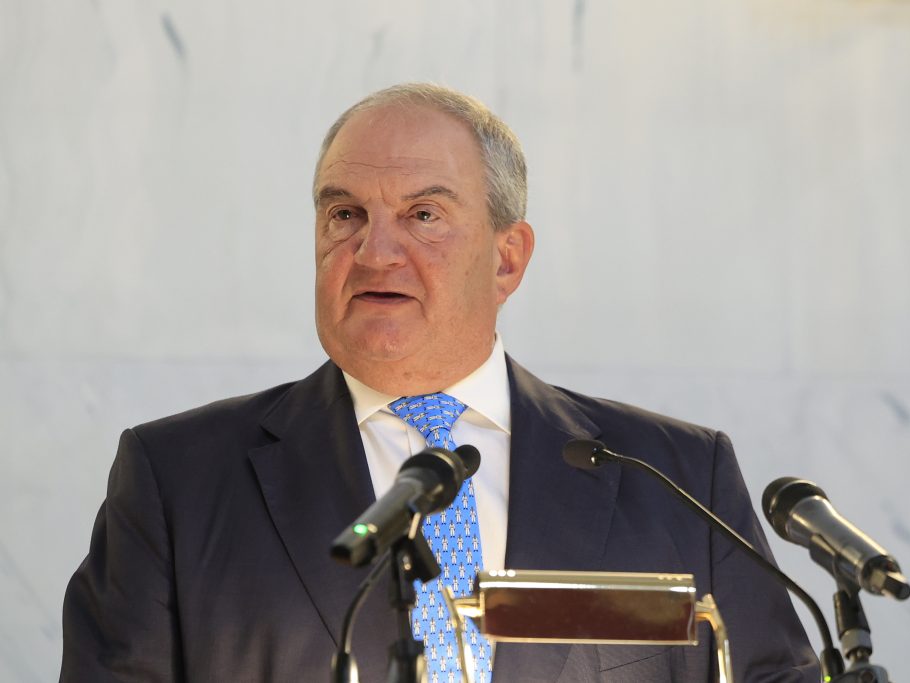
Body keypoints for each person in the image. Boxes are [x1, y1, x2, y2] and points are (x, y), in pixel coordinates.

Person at [61, 83, 820, 682]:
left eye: (423, 214)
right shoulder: (179, 479)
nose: (374, 252)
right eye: (345, 214)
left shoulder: (676, 478)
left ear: (507, 259)